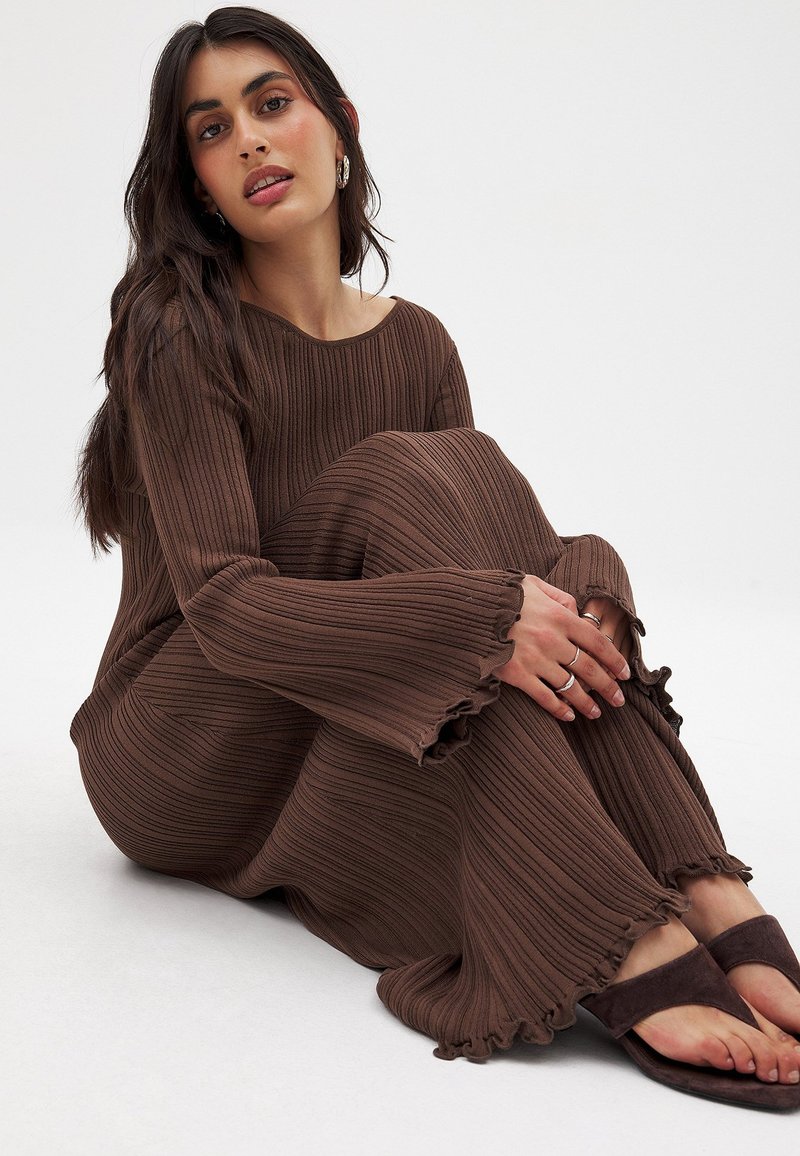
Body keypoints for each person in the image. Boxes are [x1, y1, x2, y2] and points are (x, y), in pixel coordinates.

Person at [69, 6, 800, 1108]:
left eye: (272, 104)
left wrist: (588, 592)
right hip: (180, 739)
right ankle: (627, 932)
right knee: (415, 499)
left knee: (488, 545)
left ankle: (695, 883)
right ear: (200, 185)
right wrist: (486, 622)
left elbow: (492, 551)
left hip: (326, 712)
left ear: (340, 125)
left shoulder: (416, 343)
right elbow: (222, 606)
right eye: (211, 130)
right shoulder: (180, 331)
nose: (249, 140)